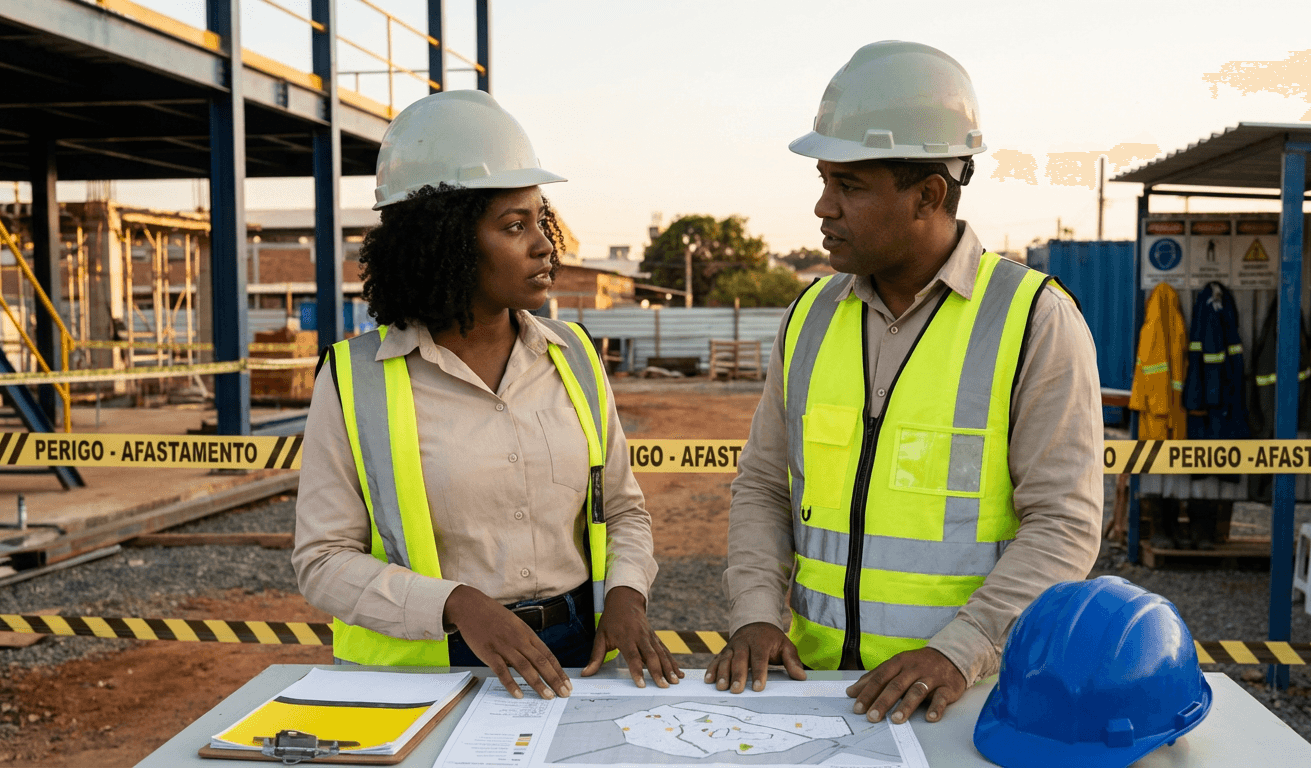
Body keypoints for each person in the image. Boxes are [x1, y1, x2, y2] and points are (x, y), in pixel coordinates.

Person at [709, 41, 1102, 727]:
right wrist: (755, 615)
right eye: (824, 180)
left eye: (849, 186)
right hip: (819, 695)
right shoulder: (809, 316)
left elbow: (1063, 524)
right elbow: (766, 485)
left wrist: (959, 650)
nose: (823, 207)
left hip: (967, 703)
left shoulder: (1034, 320)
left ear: (928, 195)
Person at [293, 90, 681, 700]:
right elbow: (322, 560)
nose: (544, 244)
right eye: (514, 226)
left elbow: (623, 511)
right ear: (444, 239)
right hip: (430, 667)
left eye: (540, 220)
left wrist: (626, 594)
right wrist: (456, 605)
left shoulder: (575, 356)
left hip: (578, 652)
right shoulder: (354, 380)